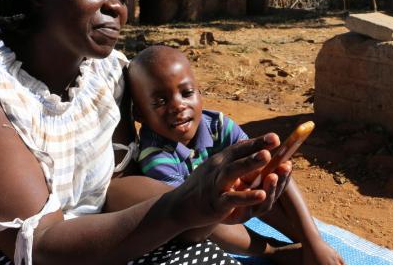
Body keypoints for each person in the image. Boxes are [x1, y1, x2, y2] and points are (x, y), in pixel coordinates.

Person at [0, 0, 293, 264]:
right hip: (6, 249)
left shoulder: (107, 72)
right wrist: (182, 206)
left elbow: (120, 180)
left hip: (94, 226)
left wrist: (205, 202)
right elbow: (41, 246)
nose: (115, 6)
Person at [128, 45, 346, 265]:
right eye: (161, 101)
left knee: (270, 171)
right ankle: (275, 251)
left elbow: (267, 168)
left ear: (199, 92)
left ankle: (311, 243)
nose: (178, 105)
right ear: (139, 114)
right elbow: (188, 222)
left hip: (231, 198)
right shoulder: (155, 156)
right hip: (197, 220)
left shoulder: (218, 125)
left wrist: (313, 242)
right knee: (210, 218)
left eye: (186, 93)